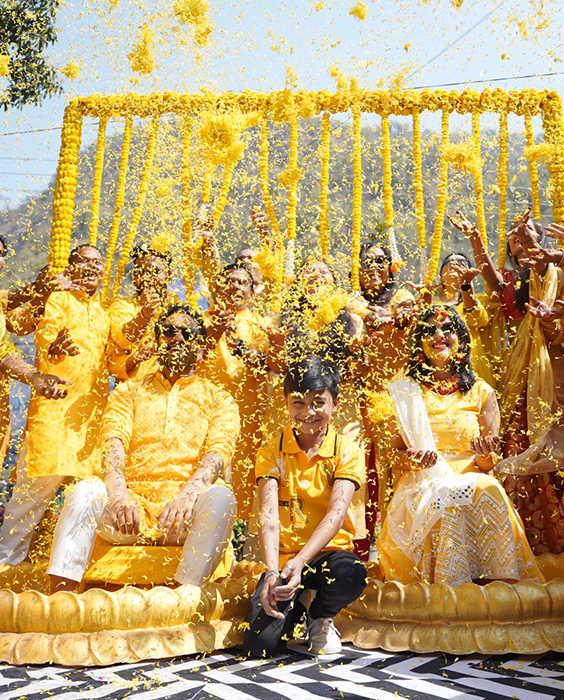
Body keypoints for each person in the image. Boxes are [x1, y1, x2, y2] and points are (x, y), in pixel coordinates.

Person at [47, 304, 239, 592]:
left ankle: (182, 601)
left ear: (200, 348)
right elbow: (113, 441)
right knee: (85, 491)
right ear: (158, 341)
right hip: (129, 516)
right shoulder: (129, 390)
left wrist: (187, 497)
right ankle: (60, 604)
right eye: (169, 332)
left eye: (186, 333)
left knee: (222, 498)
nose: (176, 339)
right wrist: (119, 496)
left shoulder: (220, 399)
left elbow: (218, 452)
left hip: (183, 518)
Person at [377, 304, 543, 585]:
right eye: (429, 330)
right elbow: (393, 456)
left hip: (473, 479)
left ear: (462, 341)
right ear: (419, 343)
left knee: (484, 486)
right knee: (449, 494)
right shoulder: (403, 391)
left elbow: (490, 465)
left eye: (447, 329)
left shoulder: (482, 392)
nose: (438, 335)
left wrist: (483, 455)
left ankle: (497, 582)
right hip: (422, 482)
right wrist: (413, 461)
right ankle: (448, 586)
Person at [450, 209, 564, 553]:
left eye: (528, 233)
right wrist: (474, 237)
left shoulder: (558, 271)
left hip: (555, 376)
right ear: (512, 249)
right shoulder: (514, 283)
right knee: (522, 449)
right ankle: (528, 543)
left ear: (541, 235)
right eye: (517, 238)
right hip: (521, 378)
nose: (524, 240)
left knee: (555, 450)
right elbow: (491, 279)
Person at [244, 356, 367, 658]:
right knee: (261, 648)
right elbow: (269, 516)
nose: (308, 412)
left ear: (335, 403)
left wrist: (301, 562)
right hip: (284, 561)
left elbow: (336, 515)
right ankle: (297, 603)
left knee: (351, 574)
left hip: (325, 555)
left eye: (318, 403)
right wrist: (274, 572)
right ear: (285, 403)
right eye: (298, 402)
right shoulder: (270, 450)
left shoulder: (347, 450)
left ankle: (320, 615)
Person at [0, 243, 111, 566]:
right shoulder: (55, 299)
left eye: (98, 262)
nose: (92, 267)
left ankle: (69, 577)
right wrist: (54, 349)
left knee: (87, 503)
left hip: (89, 424)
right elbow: (39, 334)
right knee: (27, 503)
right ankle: (5, 572)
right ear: (70, 268)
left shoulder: (104, 312)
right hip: (54, 417)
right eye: (83, 261)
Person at [346, 243, 414, 551]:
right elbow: (355, 315)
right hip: (355, 400)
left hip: (392, 397)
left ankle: (395, 547)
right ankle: (355, 546)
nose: (373, 267)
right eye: (367, 262)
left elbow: (405, 315)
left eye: (380, 261)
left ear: (391, 268)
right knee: (358, 471)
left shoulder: (401, 297)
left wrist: (392, 316)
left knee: (392, 469)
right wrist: (373, 316)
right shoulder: (353, 300)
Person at [199, 262, 272, 519]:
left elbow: (267, 365)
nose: (236, 287)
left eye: (243, 283)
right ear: (218, 288)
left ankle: (238, 538)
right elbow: (192, 359)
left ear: (252, 292)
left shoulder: (259, 324)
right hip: (204, 413)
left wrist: (238, 345)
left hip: (246, 416)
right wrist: (215, 331)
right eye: (230, 281)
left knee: (242, 478)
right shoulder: (202, 319)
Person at [108, 243, 180, 381]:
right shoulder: (122, 306)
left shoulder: (179, 308)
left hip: (172, 394)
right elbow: (123, 341)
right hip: (130, 394)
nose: (146, 278)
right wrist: (145, 315)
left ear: (168, 274)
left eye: (154, 271)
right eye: (140, 272)